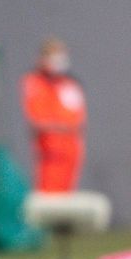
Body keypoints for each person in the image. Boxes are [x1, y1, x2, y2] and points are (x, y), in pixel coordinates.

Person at [21, 37, 87, 193]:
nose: (58, 61)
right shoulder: (34, 82)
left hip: (70, 151)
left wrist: (59, 126)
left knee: (66, 194)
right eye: (53, 56)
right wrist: (59, 127)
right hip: (49, 152)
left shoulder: (70, 85)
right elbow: (37, 121)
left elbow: (78, 122)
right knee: (49, 194)